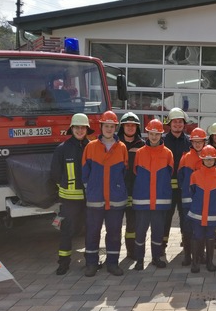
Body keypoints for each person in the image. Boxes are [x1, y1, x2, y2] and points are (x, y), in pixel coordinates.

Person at [81, 110, 128, 277]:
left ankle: (112, 264)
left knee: (114, 233)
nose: (109, 129)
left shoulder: (121, 147)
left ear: (115, 128)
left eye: (112, 126)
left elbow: (124, 172)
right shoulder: (91, 147)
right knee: (93, 232)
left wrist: (118, 189)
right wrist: (92, 190)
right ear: (100, 127)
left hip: (115, 200)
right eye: (106, 126)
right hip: (96, 200)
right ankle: (91, 264)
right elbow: (84, 173)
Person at [50, 113, 92, 275]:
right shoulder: (62, 149)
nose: (80, 130)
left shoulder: (93, 147)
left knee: (90, 229)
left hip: (89, 198)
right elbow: (55, 173)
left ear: (87, 129)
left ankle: (91, 260)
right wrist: (65, 187)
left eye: (83, 127)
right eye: (77, 127)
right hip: (69, 200)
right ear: (71, 129)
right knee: (66, 230)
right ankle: (63, 262)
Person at [132, 119, 174, 270]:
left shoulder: (168, 153)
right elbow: (136, 172)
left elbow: (169, 173)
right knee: (140, 232)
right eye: (151, 133)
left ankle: (156, 257)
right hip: (142, 199)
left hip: (160, 200)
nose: (154, 137)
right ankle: (139, 259)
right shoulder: (140, 153)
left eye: (157, 134)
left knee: (158, 232)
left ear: (161, 134)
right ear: (147, 134)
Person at [187, 145, 216, 273]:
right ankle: (195, 262)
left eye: (212, 159)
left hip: (212, 213)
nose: (209, 161)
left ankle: (209, 262)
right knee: (197, 235)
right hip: (197, 212)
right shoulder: (195, 175)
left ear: (215, 160)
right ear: (202, 159)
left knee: (210, 236)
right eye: (206, 159)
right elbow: (192, 192)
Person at [161, 107, 191, 257]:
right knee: (165, 218)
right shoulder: (163, 141)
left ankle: (187, 246)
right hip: (166, 188)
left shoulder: (190, 142)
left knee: (185, 218)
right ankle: (162, 247)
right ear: (169, 123)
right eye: (175, 122)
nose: (178, 125)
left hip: (184, 188)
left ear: (184, 124)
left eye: (180, 122)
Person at [177, 127, 208, 266]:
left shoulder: (209, 157)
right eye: (195, 142)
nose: (197, 144)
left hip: (203, 200)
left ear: (204, 142)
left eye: (199, 141)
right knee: (187, 228)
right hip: (188, 200)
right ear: (191, 142)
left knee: (201, 228)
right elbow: (180, 177)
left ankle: (200, 255)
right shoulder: (186, 158)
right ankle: (187, 256)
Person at [118, 112, 145, 261]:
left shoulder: (142, 146)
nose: (130, 128)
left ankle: (131, 252)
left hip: (135, 190)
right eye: (127, 125)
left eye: (132, 125)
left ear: (137, 128)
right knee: (114, 225)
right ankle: (113, 254)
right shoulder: (115, 144)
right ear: (122, 127)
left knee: (132, 225)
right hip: (118, 190)